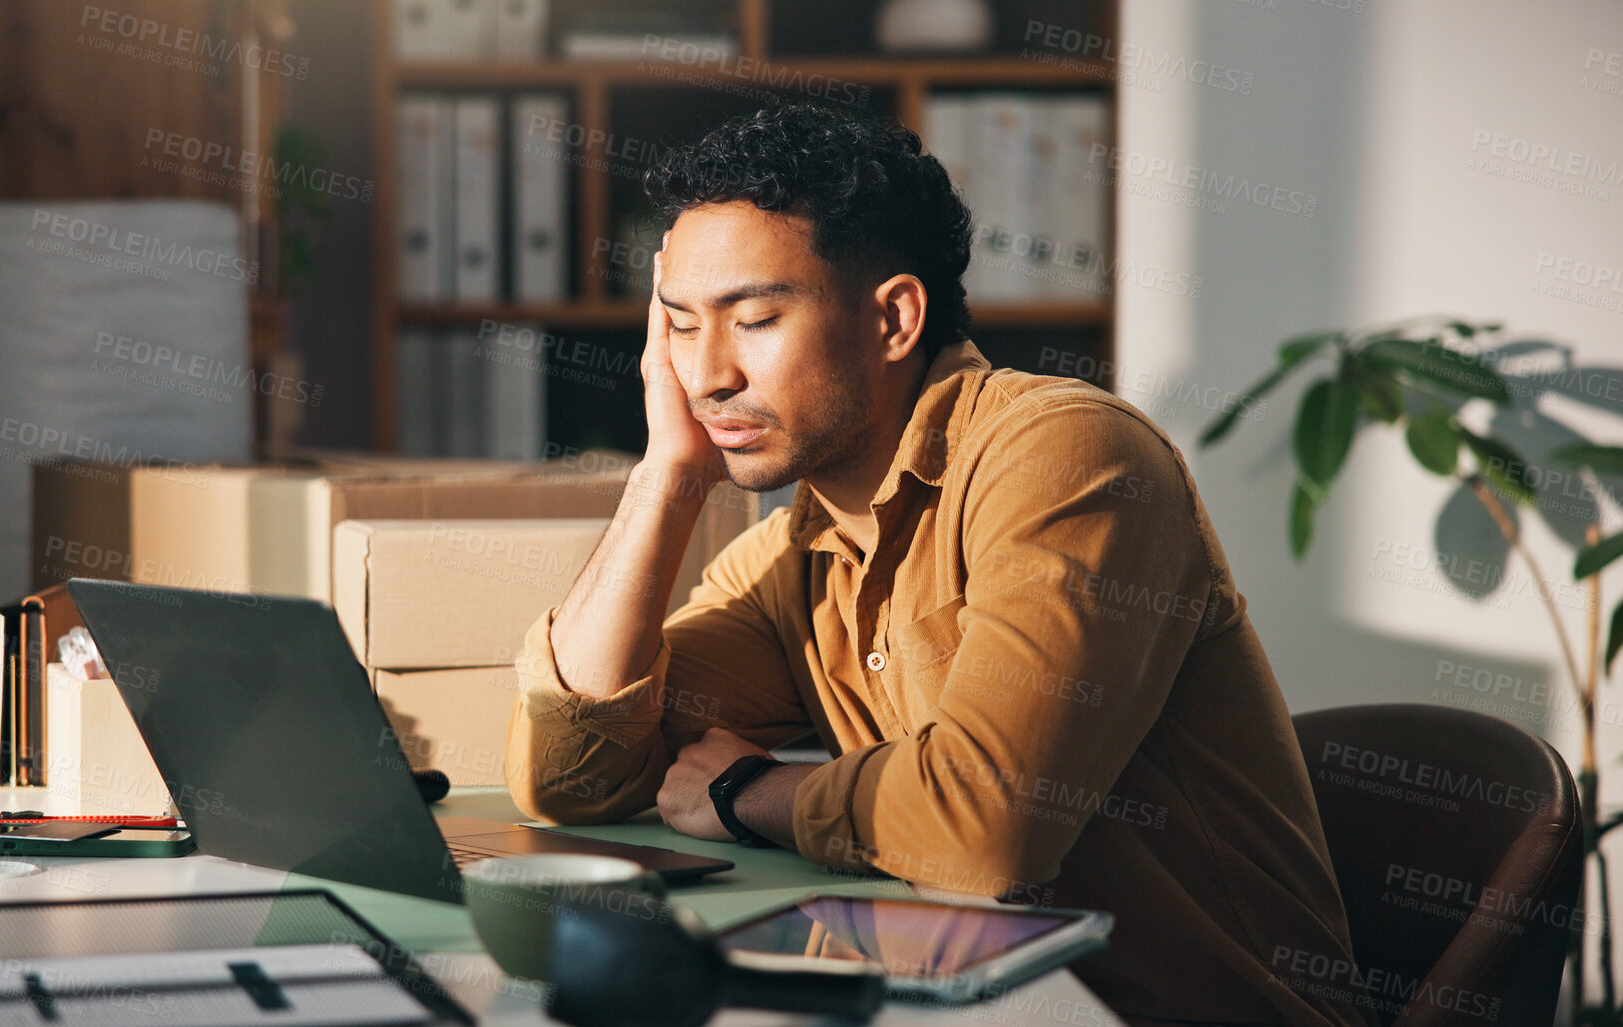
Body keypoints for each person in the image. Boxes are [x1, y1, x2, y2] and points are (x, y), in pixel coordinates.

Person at [504, 102, 1374, 1027]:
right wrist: (668, 477)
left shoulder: (1065, 454)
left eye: (753, 318)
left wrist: (748, 791)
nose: (706, 374)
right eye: (678, 327)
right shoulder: (797, 553)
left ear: (892, 318)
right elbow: (572, 776)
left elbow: (989, 826)